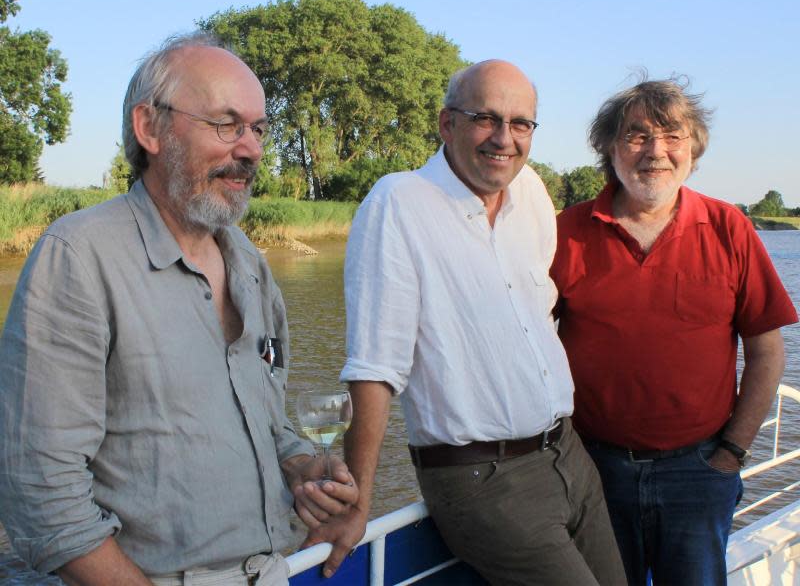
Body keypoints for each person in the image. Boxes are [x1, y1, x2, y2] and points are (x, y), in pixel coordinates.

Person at [0, 33, 358, 585]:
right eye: (227, 124)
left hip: (275, 571)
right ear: (150, 128)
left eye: (258, 129)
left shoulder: (251, 265)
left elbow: (264, 421)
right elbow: (38, 488)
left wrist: (302, 466)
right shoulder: (77, 257)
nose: (252, 149)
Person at [310, 60, 626, 585]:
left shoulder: (531, 194)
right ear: (446, 124)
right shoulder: (399, 203)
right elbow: (374, 366)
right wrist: (358, 499)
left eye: (521, 123)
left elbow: (537, 311)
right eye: (486, 118)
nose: (504, 138)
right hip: (484, 479)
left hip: (569, 455)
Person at [550, 77, 798, 585]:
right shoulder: (564, 232)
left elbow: (767, 351)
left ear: (693, 149)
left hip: (699, 472)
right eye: (637, 136)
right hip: (594, 471)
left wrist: (732, 452)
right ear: (609, 147)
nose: (656, 152)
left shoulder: (730, 227)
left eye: (672, 136)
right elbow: (525, 343)